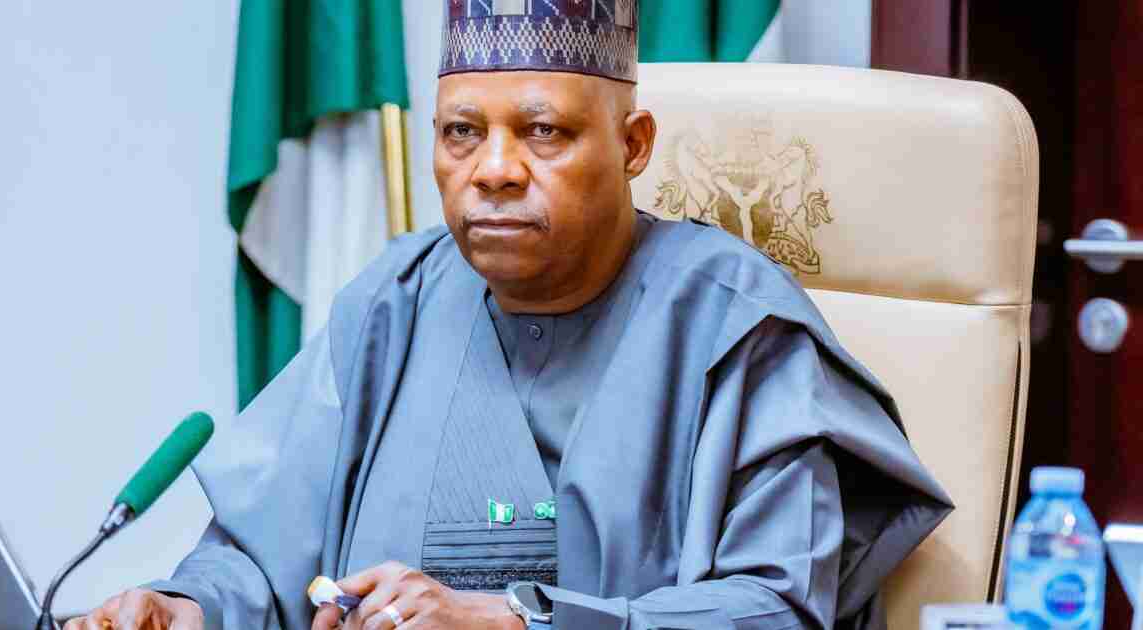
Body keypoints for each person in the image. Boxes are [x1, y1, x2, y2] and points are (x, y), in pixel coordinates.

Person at [68, 2, 951, 629]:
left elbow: (776, 608)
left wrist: (520, 622)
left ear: (633, 145)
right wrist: (186, 608)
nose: (493, 170)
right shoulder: (393, 303)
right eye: (461, 132)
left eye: (543, 132)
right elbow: (258, 556)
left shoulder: (736, 329)